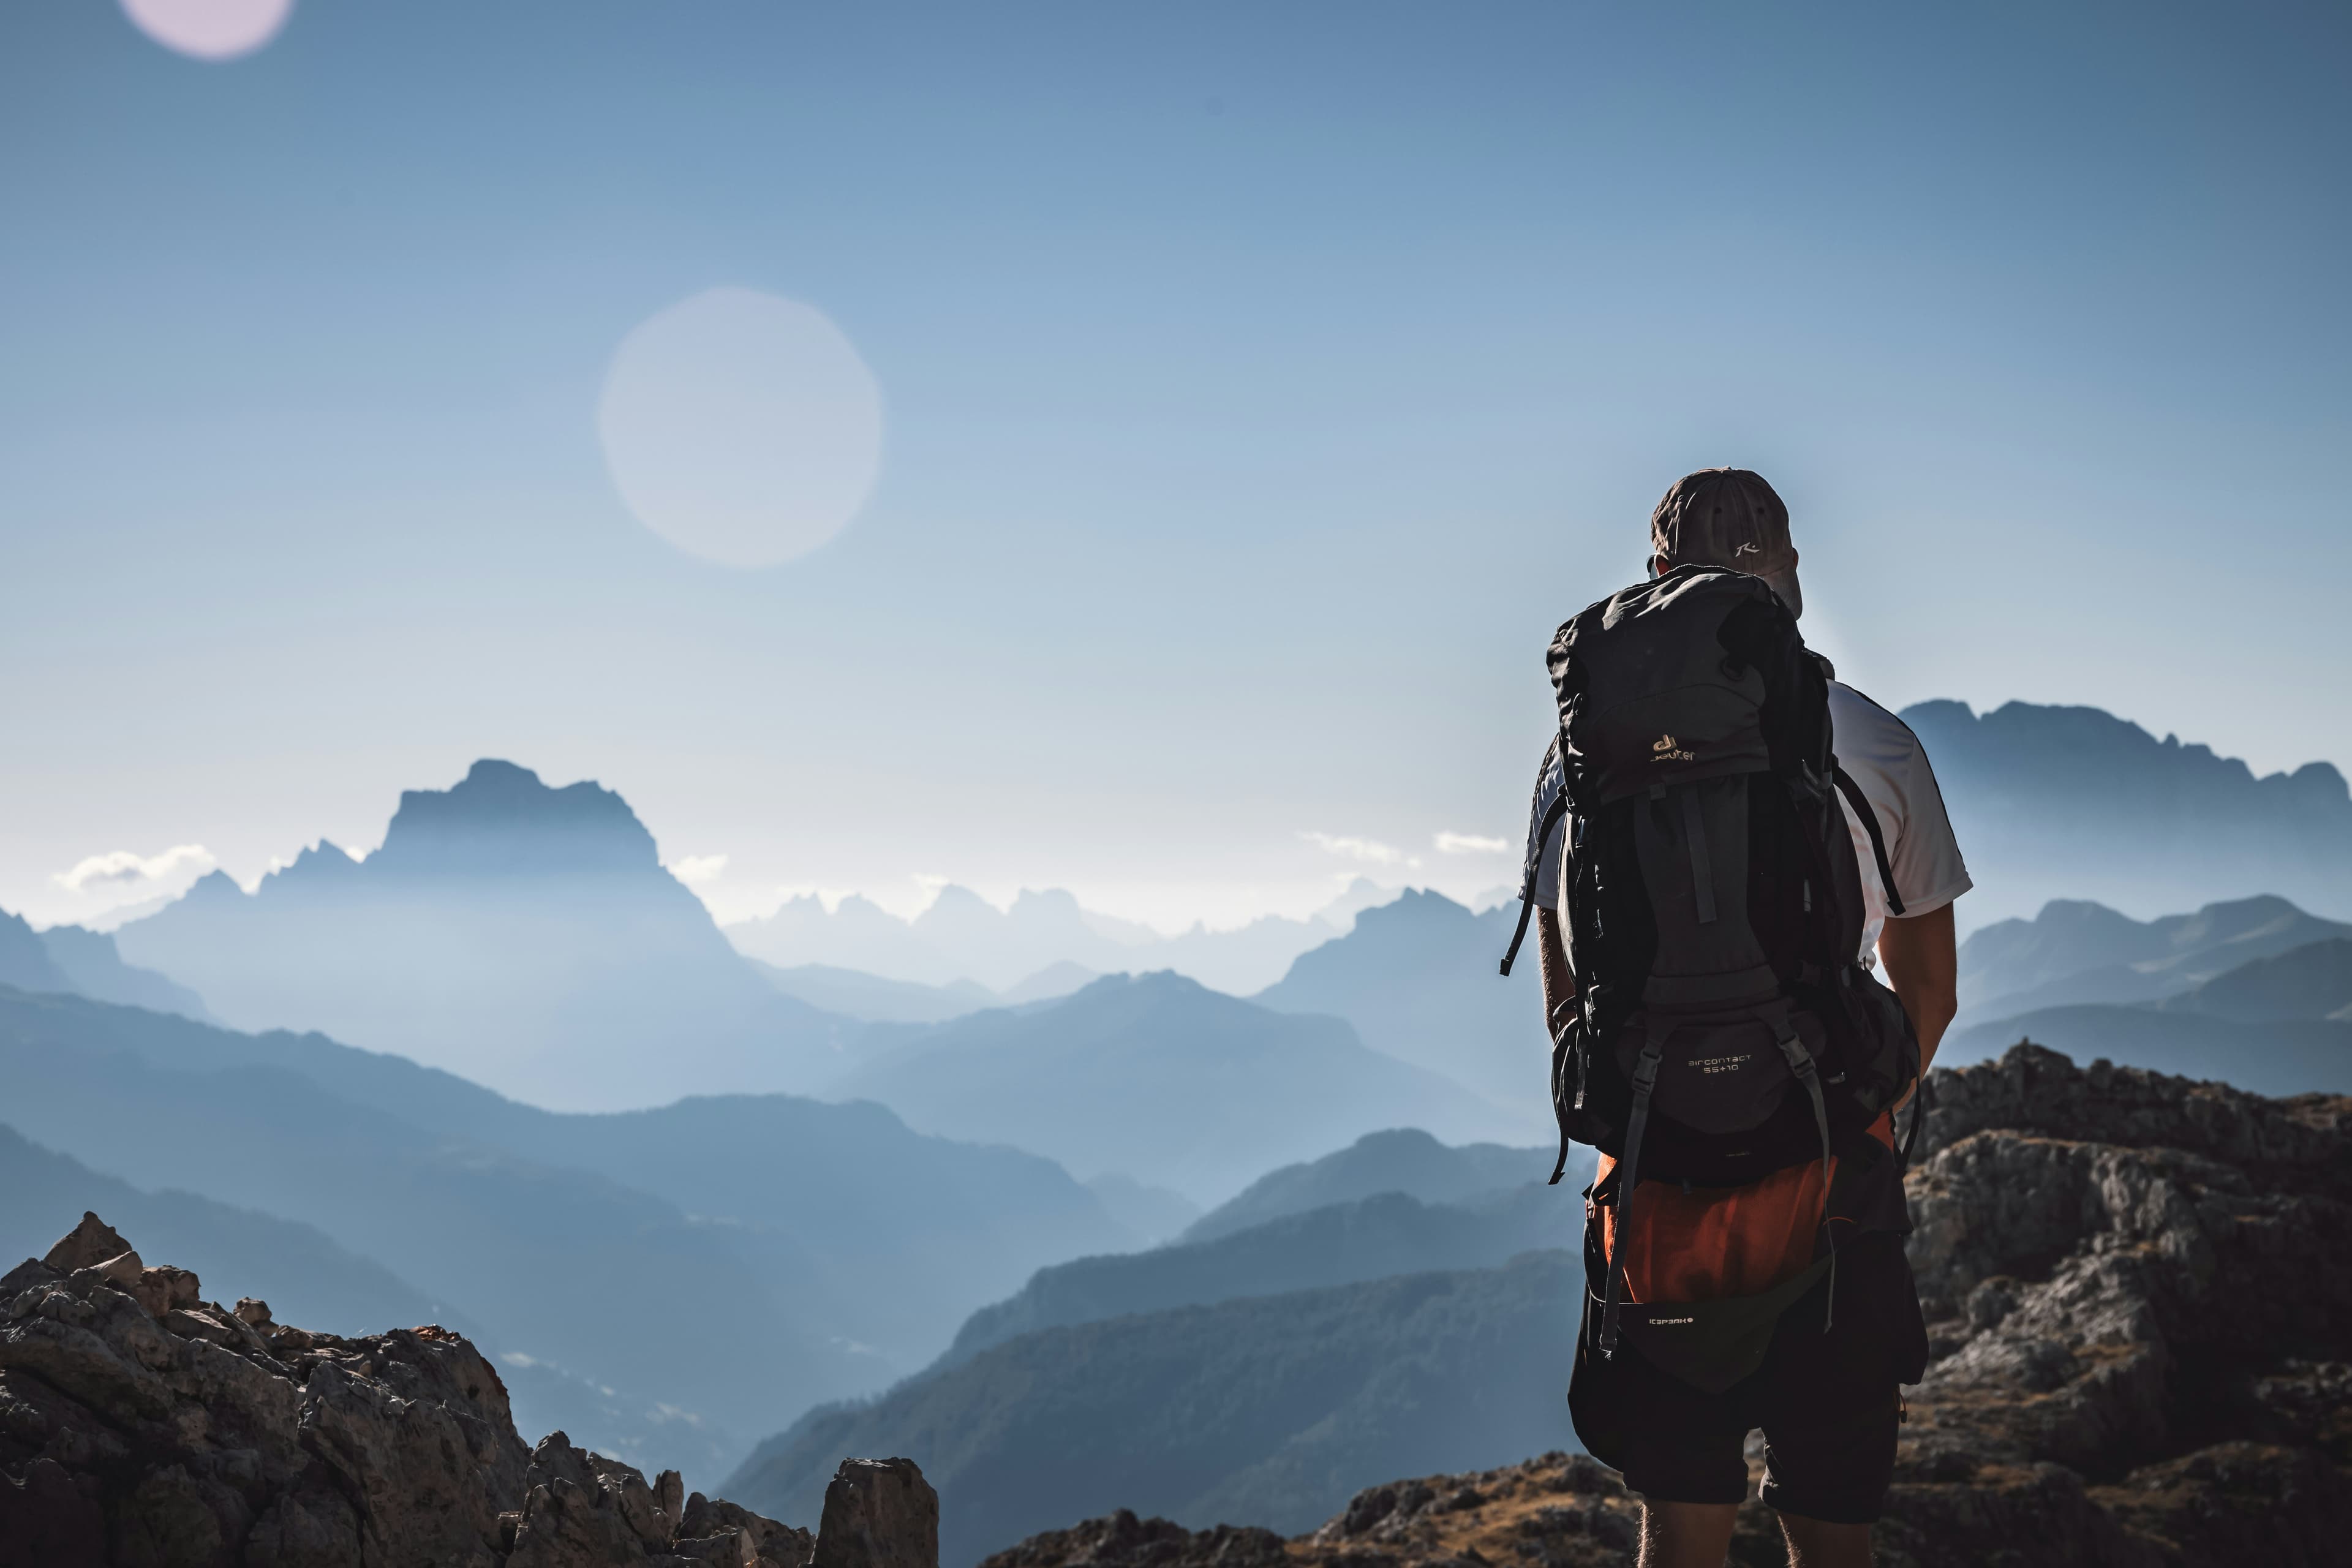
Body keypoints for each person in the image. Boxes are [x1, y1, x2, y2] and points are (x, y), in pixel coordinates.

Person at [1521, 468, 1967, 1568]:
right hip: (1834, 1192)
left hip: (1660, 1194)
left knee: (1679, 1532)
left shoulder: (1576, 766)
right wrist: (1834, 1110)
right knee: (1831, 1532)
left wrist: (1675, 1110)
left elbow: (1566, 1003)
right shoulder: (1875, 745)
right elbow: (1932, 992)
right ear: (1790, 579)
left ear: (1657, 580)